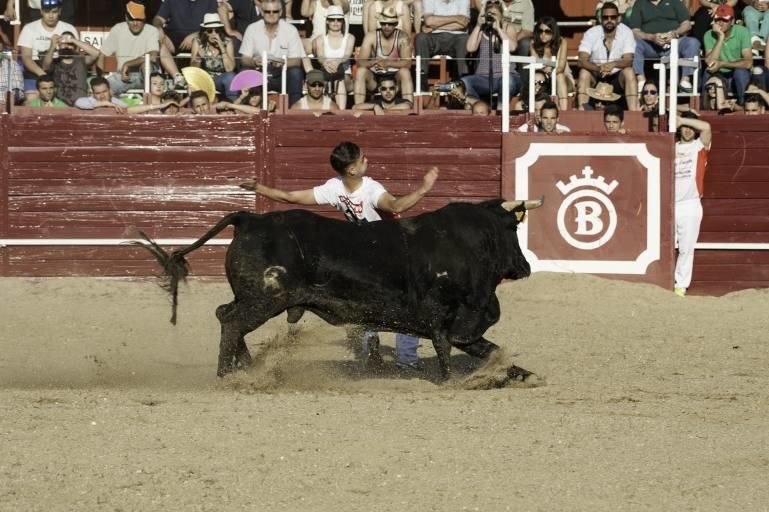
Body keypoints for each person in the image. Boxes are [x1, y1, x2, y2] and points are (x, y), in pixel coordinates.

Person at [240, 141, 439, 371]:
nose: (368, 161)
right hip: (389, 254)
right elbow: (397, 205)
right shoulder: (370, 189)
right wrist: (423, 189)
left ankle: (369, 355)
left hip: (358, 256)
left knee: (363, 304)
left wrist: (259, 188)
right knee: (410, 302)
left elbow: (289, 198)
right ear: (352, 169)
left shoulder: (334, 187)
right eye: (363, 159)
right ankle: (406, 360)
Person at [239, 0, 309, 106]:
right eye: (268, 11)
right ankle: (243, 112)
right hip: (259, 74)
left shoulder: (290, 30)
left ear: (281, 12)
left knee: (296, 72)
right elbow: (244, 58)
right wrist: (254, 62)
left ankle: (295, 111)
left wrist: (281, 63)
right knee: (245, 71)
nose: (271, 14)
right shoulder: (252, 29)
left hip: (281, 75)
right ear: (262, 12)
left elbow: (297, 60)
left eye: (275, 11)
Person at [673, 111, 711, 297]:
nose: (687, 130)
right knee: (665, 245)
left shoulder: (699, 147)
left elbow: (707, 127)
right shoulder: (670, 147)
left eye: (690, 127)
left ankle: (681, 285)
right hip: (669, 204)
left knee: (686, 248)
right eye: (684, 127)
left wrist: (682, 120)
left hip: (690, 204)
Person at [626, 0, 700, 94]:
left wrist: (674, 33)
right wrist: (651, 37)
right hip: (650, 45)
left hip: (675, 42)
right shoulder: (640, 3)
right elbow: (634, 31)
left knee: (693, 42)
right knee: (634, 43)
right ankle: (641, 80)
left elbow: (687, 24)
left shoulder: (674, 2)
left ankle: (685, 80)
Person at [578, 2, 639, 111]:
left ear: (619, 18)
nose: (609, 20)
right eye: (606, 17)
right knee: (584, 73)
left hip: (616, 77)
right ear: (601, 19)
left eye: (613, 17)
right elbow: (582, 60)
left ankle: (633, 112)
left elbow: (628, 60)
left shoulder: (626, 32)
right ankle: (582, 110)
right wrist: (598, 68)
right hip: (596, 74)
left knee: (629, 71)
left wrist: (613, 64)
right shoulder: (591, 33)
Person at [460, 0, 521, 107]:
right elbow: (470, 48)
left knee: (508, 82)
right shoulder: (482, 30)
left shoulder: (508, 28)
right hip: (484, 78)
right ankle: (480, 107)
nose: (492, 17)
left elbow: (513, 47)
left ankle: (501, 109)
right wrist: (478, 25)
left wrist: (499, 29)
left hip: (506, 76)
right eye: (490, 15)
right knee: (465, 81)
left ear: (501, 16)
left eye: (495, 15)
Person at [17, 0, 77, 101]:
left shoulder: (69, 28)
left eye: (54, 12)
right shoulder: (29, 28)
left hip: (60, 69)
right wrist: (43, 76)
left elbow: (74, 55)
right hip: (35, 71)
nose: (50, 16)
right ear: (41, 11)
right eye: (47, 12)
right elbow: (26, 58)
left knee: (66, 97)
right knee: (32, 98)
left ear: (60, 11)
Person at [100, 1, 161, 97]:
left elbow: (152, 57)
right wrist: (101, 76)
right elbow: (102, 54)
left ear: (144, 19)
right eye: (132, 19)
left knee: (146, 65)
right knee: (103, 89)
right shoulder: (118, 29)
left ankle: (150, 104)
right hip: (123, 76)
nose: (135, 23)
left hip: (147, 76)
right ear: (126, 18)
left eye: (139, 19)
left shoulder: (152, 30)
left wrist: (127, 64)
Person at [354, 6, 414, 104]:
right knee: (361, 71)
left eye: (390, 24)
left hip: (394, 79)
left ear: (396, 24)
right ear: (379, 23)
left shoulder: (402, 37)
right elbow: (360, 62)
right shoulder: (371, 36)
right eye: (383, 23)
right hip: (375, 78)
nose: (386, 26)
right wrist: (374, 62)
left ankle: (409, 106)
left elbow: (407, 63)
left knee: (405, 72)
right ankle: (359, 107)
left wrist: (387, 63)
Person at [153, 0, 219, 82]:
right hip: (173, 38)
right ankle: (178, 78)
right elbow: (158, 18)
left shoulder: (210, 1)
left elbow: (213, 25)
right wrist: (158, 27)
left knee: (198, 41)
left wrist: (196, 34)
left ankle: (193, 81)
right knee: (158, 39)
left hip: (199, 37)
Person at [702, 4, 752, 112]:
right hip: (719, 73)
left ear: (732, 21)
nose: (720, 23)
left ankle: (745, 107)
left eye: (724, 20)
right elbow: (710, 62)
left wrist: (723, 64)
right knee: (708, 71)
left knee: (741, 72)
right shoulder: (709, 34)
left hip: (736, 73)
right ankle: (705, 109)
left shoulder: (742, 32)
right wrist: (720, 38)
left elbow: (748, 63)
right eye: (717, 19)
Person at [414, 0, 471, 91]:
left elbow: (463, 24)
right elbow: (428, 21)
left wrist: (435, 25)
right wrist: (456, 18)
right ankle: (422, 79)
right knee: (420, 38)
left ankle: (464, 80)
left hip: (457, 37)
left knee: (465, 39)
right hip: (434, 37)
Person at [311, 5, 355, 109]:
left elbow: (346, 55)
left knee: (338, 76)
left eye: (339, 20)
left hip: (345, 77)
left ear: (342, 22)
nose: (335, 22)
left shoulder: (350, 37)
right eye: (332, 20)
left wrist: (337, 62)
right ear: (327, 21)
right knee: (330, 75)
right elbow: (320, 56)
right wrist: (326, 63)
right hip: (326, 74)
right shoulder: (320, 39)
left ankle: (341, 113)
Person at [42, 31, 98, 106]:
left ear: (75, 46)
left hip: (80, 105)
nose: (66, 46)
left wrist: (72, 40)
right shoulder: (55, 62)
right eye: (63, 44)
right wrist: (52, 46)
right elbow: (45, 66)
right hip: (60, 105)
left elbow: (95, 53)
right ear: (59, 45)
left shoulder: (81, 60)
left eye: (69, 44)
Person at [191, 13, 238, 102]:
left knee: (231, 77)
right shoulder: (198, 42)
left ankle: (233, 106)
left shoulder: (227, 42)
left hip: (220, 79)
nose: (214, 34)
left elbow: (230, 68)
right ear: (205, 32)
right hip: (203, 78)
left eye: (217, 30)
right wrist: (198, 57)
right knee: (193, 83)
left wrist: (222, 47)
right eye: (210, 31)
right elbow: (193, 69)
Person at [530, 16, 574, 111]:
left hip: (563, 80)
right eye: (540, 31)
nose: (543, 34)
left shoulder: (562, 42)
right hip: (543, 79)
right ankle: (532, 109)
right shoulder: (533, 44)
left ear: (553, 33)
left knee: (560, 76)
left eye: (547, 31)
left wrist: (550, 71)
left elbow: (561, 67)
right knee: (534, 78)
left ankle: (564, 111)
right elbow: (535, 67)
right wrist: (545, 72)